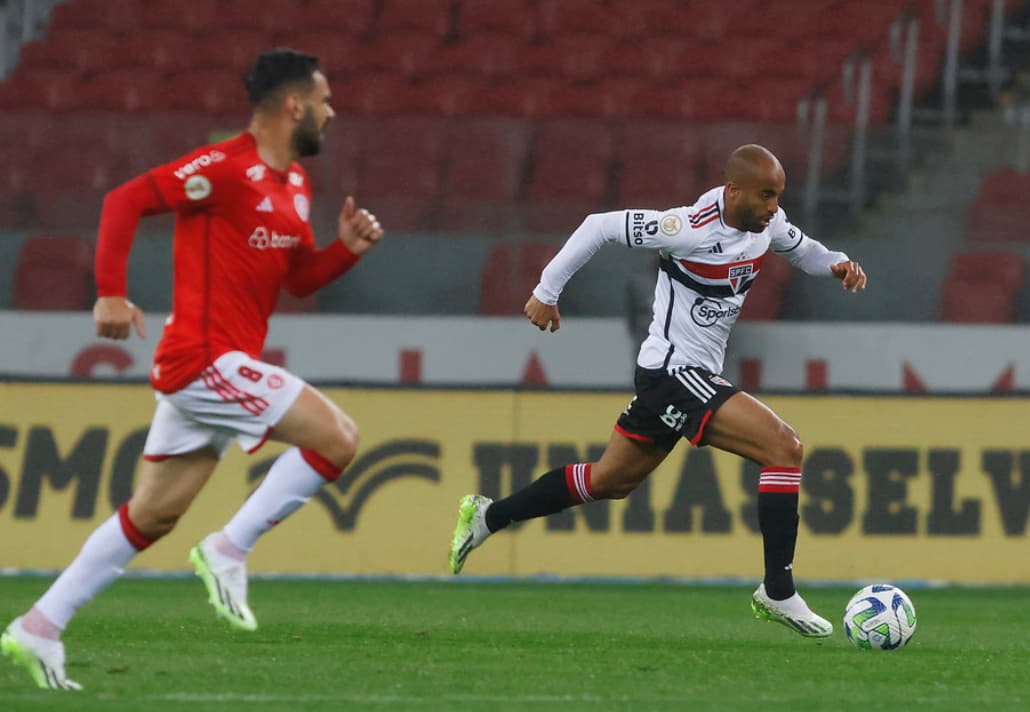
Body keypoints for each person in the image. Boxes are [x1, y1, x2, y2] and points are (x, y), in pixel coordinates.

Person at [1, 49, 385, 690]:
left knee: (151, 516)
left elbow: (296, 279)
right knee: (338, 438)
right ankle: (230, 547)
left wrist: (344, 252)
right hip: (203, 360)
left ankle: (40, 626)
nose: (332, 110)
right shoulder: (224, 168)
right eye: (323, 99)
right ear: (294, 106)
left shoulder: (294, 185)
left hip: (218, 369)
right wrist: (109, 292)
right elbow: (126, 200)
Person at [449, 144, 866, 639]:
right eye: (767, 195)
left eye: (779, 196)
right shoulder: (686, 228)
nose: (776, 206)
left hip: (684, 376)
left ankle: (488, 515)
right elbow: (598, 226)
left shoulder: (765, 224)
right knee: (784, 448)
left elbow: (804, 250)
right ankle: (777, 591)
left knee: (608, 481)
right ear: (734, 192)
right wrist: (547, 290)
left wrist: (837, 263)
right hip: (674, 371)